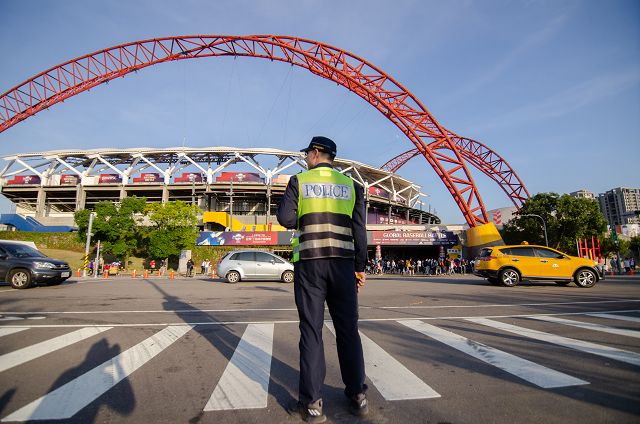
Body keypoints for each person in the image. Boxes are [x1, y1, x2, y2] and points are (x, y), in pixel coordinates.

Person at [277, 136, 368, 423]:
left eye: (307, 154)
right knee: (348, 330)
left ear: (316, 153)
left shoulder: (299, 181)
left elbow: (286, 219)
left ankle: (313, 404)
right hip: (342, 266)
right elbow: (360, 231)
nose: (306, 158)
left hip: (310, 264)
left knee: (311, 331)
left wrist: (307, 214)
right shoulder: (353, 186)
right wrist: (360, 267)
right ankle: (357, 396)